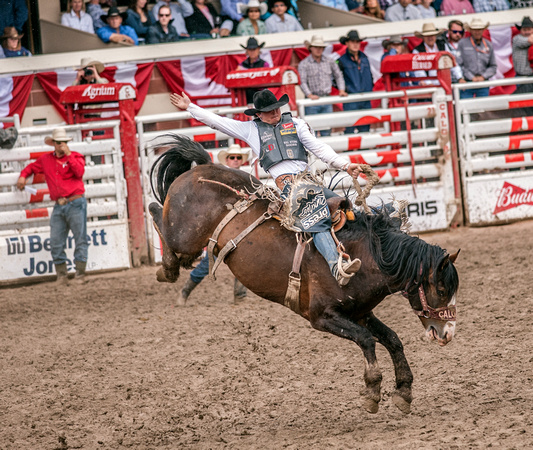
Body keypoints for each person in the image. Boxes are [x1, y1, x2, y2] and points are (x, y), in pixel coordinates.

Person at [169, 89, 364, 287]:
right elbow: (218, 122)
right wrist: (190, 107)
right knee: (316, 218)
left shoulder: (296, 124)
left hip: (310, 182)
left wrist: (345, 165)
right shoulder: (251, 129)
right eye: (269, 111)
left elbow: (318, 147)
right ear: (259, 114)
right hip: (290, 188)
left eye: (277, 108)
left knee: (344, 208)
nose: (275, 113)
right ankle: (336, 267)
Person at [179, 144, 250, 304]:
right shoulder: (222, 179)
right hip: (222, 228)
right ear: (227, 160)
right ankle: (185, 291)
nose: (235, 160)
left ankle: (240, 296)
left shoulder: (243, 178)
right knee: (208, 263)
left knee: (245, 260)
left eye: (238, 158)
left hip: (239, 228)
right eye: (232, 157)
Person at [16, 128, 88, 285]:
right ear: (54, 144)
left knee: (80, 239)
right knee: (56, 241)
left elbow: (79, 172)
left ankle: (80, 274)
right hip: (60, 204)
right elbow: (31, 168)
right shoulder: (46, 160)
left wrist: (69, 155)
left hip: (75, 202)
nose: (61, 145)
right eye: (58, 143)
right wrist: (23, 176)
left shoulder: (75, 157)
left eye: (63, 143)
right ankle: (62, 275)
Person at [298, 35, 346, 137]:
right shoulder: (304, 63)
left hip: (326, 99)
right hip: (312, 101)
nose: (318, 50)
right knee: (311, 131)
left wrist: (341, 89)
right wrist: (309, 94)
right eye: (316, 47)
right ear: (311, 48)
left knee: (327, 129)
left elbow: (338, 75)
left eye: (320, 47)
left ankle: (324, 152)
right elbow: (302, 81)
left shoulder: (329, 61)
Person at [337, 30, 373, 135]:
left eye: (357, 42)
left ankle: (365, 150)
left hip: (365, 98)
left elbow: (369, 76)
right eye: (352, 41)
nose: (355, 44)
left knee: (365, 129)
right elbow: (336, 79)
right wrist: (345, 89)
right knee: (350, 129)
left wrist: (369, 89)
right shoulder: (341, 60)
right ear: (347, 43)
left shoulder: (364, 58)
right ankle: (352, 150)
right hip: (351, 99)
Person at [457, 18, 496, 99]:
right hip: (467, 83)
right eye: (475, 30)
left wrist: (483, 77)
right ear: (470, 30)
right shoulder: (462, 44)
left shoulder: (488, 45)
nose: (477, 32)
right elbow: (459, 64)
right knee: (465, 108)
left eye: (479, 29)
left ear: (483, 30)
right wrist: (471, 77)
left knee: (483, 107)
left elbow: (493, 66)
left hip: (483, 83)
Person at [238, 37, 270, 103]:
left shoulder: (264, 64)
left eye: (254, 49)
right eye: (250, 49)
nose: (252, 52)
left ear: (258, 49)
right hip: (246, 98)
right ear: (247, 51)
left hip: (261, 97)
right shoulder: (242, 65)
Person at [512, 16, 533, 95]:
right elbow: (529, 40)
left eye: (529, 29)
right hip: (522, 76)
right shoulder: (517, 39)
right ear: (520, 30)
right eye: (525, 30)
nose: (527, 32)